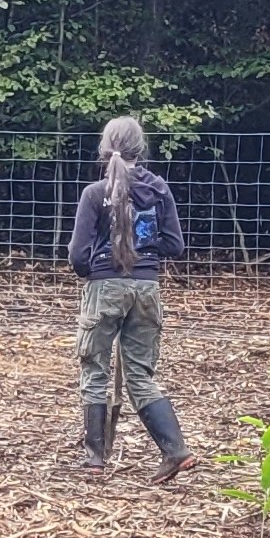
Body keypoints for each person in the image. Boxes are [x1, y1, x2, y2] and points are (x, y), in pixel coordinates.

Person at [64, 115, 191, 480]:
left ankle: (95, 459)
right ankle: (175, 450)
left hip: (104, 288)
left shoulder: (94, 194)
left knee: (95, 368)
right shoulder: (159, 189)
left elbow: (77, 254)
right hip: (147, 289)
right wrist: (145, 253)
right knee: (140, 374)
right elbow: (175, 245)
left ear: (105, 150)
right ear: (141, 148)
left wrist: (92, 272)